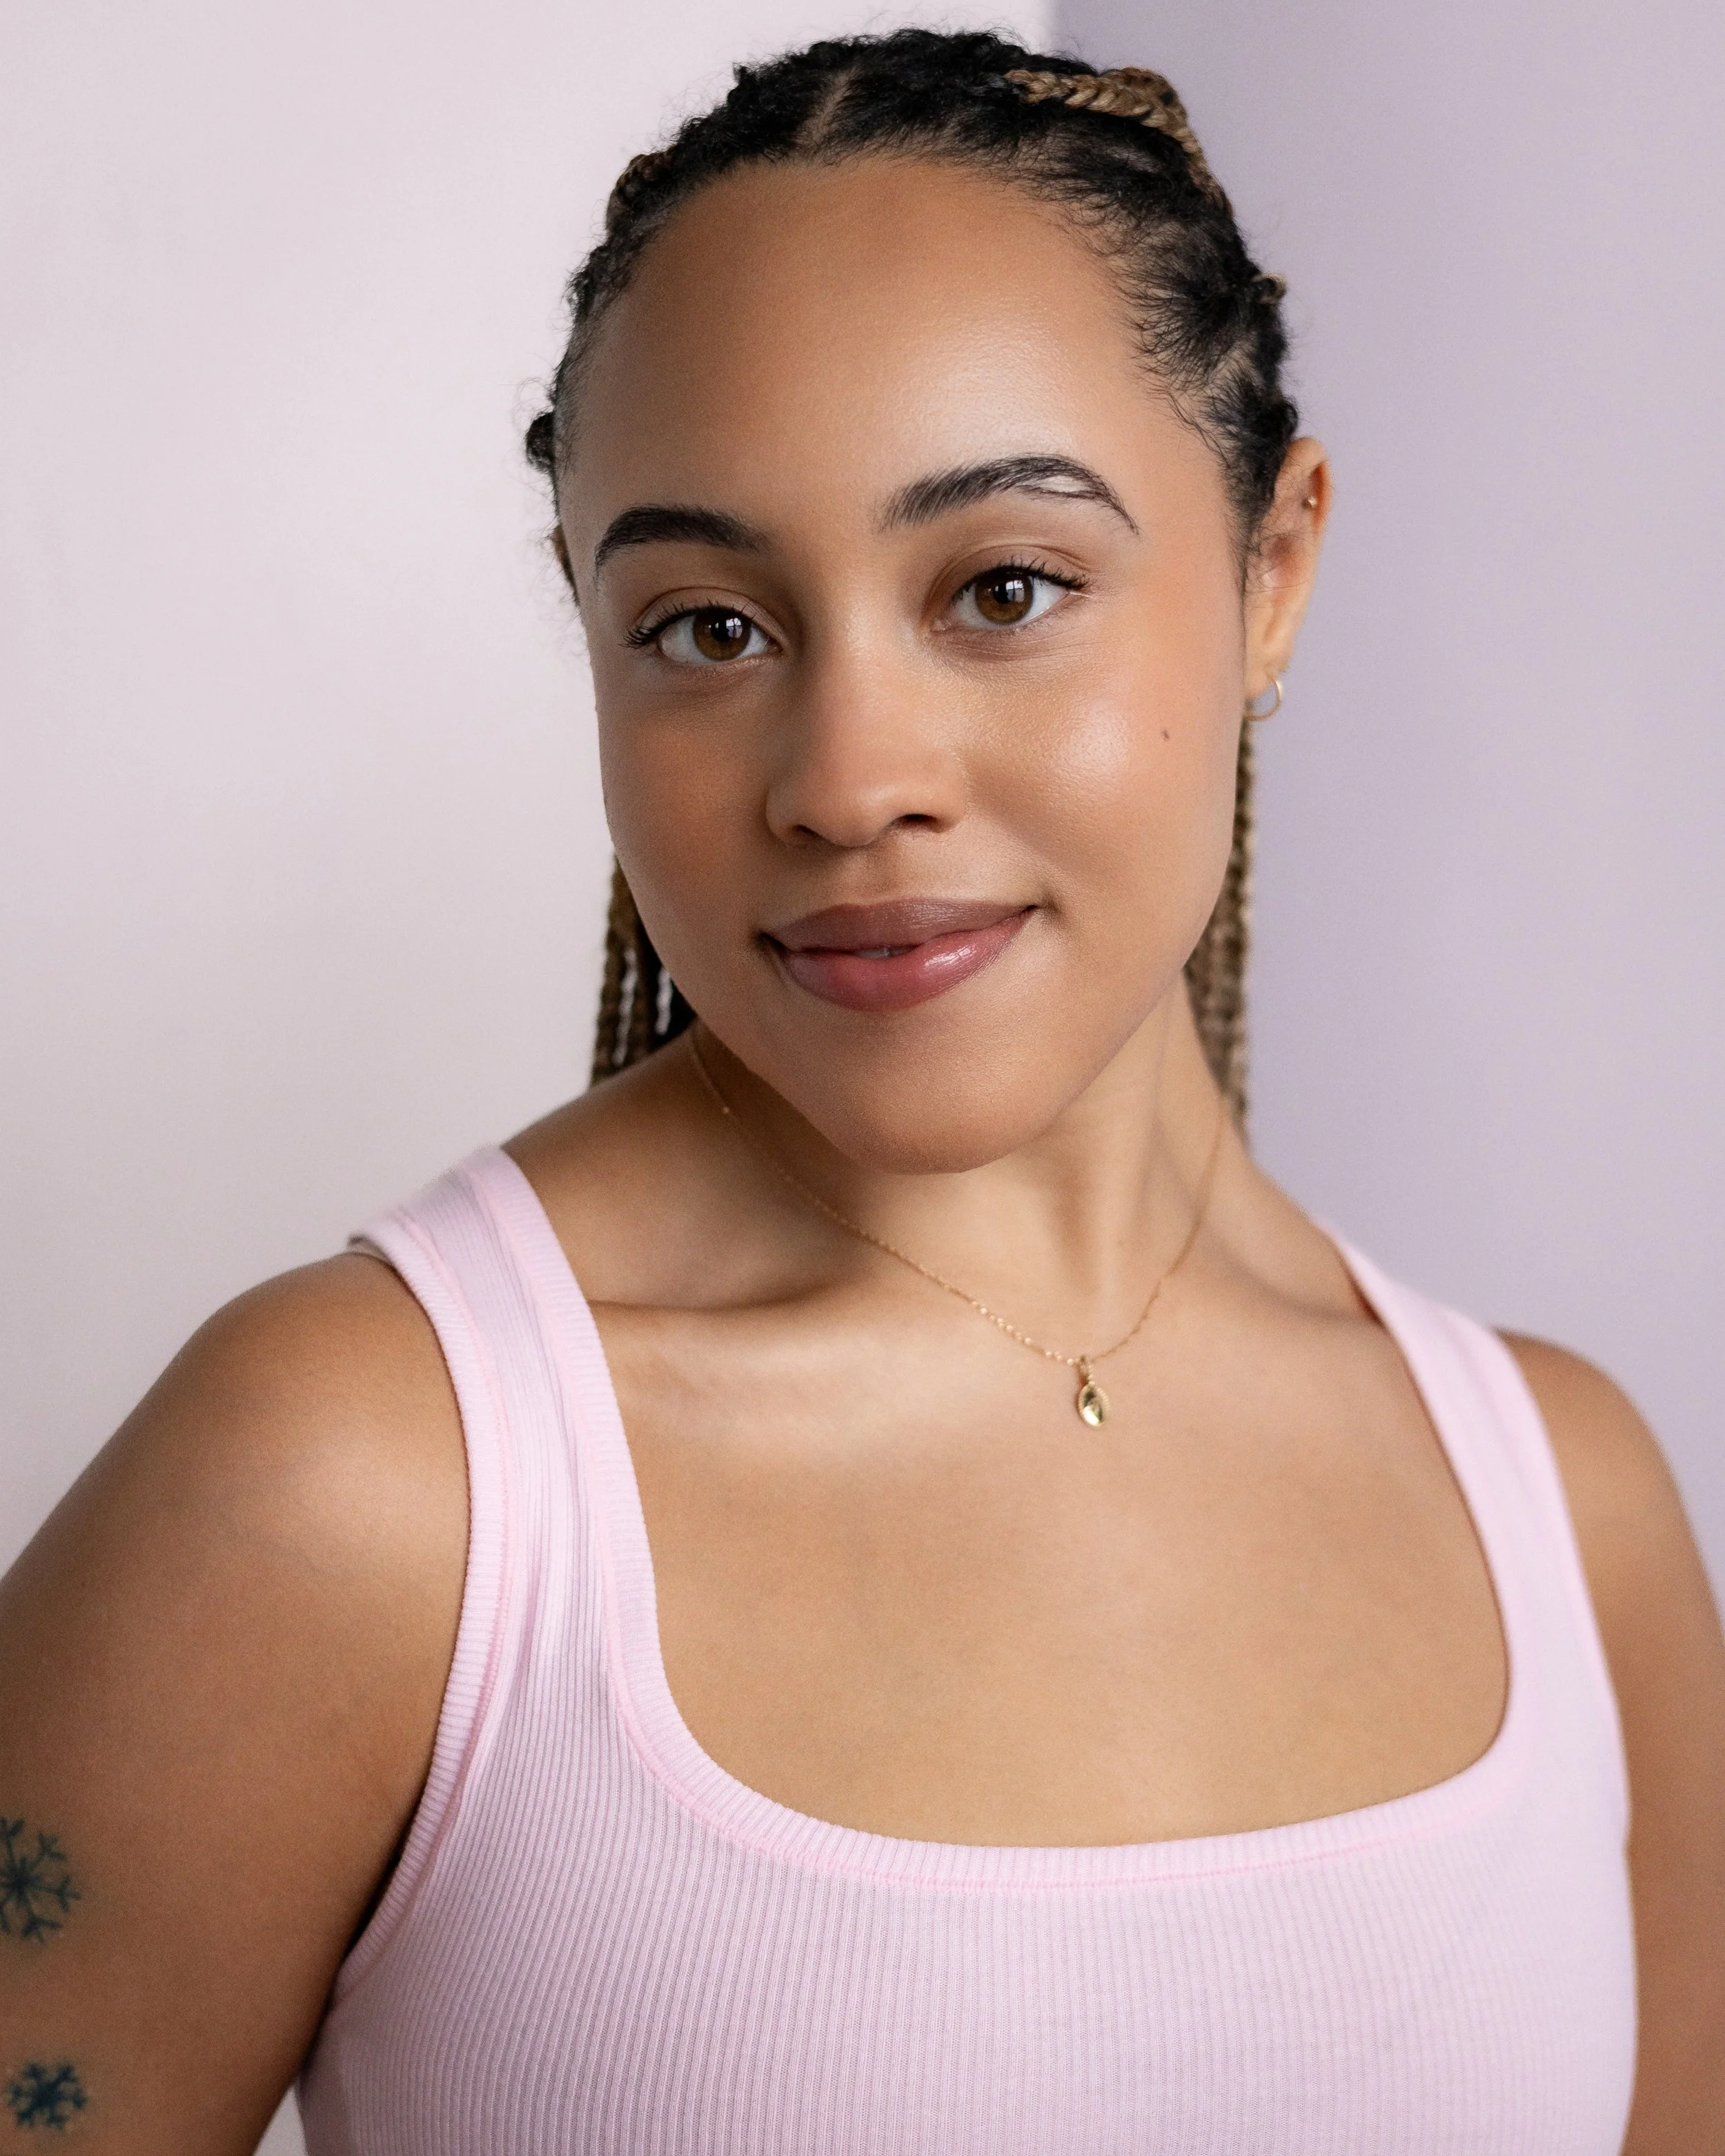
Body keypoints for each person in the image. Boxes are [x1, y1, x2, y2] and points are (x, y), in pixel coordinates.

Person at [3, 27, 1722, 2153]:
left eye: (1002, 589)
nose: (845, 783)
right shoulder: (364, 1488)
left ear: (1273, 565)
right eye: (707, 628)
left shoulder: (1565, 1510)